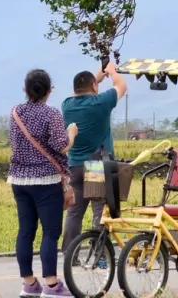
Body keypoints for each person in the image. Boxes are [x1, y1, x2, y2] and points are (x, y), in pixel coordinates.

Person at [8, 69, 79, 297]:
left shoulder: (15, 113)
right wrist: (72, 133)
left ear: (25, 90)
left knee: (26, 231)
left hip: (19, 179)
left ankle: (29, 284)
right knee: (50, 232)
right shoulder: (51, 114)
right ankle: (51, 285)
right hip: (46, 181)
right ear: (50, 90)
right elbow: (62, 146)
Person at [61, 60, 127, 250]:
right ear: (94, 87)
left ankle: (69, 252)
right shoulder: (101, 102)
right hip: (97, 164)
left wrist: (98, 76)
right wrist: (112, 72)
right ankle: (100, 252)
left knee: (74, 212)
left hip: (74, 165)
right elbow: (121, 86)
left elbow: (80, 91)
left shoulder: (67, 105)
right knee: (100, 210)